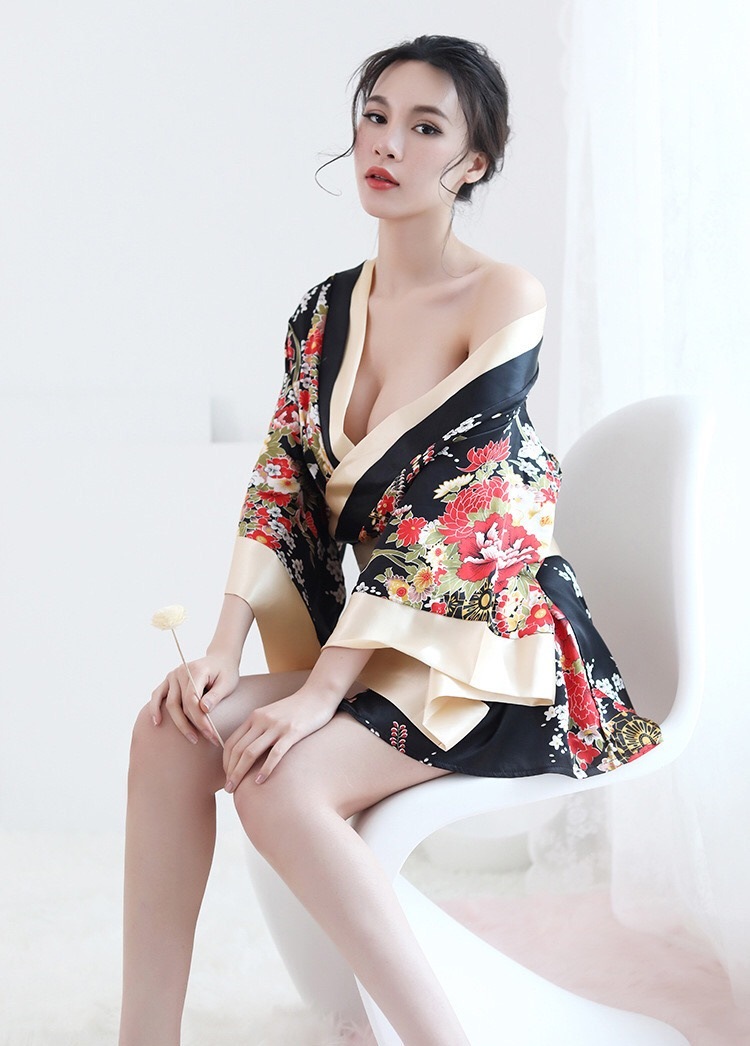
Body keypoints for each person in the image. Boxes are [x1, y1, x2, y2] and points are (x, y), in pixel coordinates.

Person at [120, 35, 662, 1046]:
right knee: (170, 730)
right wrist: (222, 649)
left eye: (424, 128)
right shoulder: (322, 313)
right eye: (376, 117)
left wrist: (320, 692)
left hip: (496, 642)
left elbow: (454, 511)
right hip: (383, 644)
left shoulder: (504, 298)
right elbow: (282, 476)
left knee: (280, 778)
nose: (388, 144)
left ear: (474, 161)